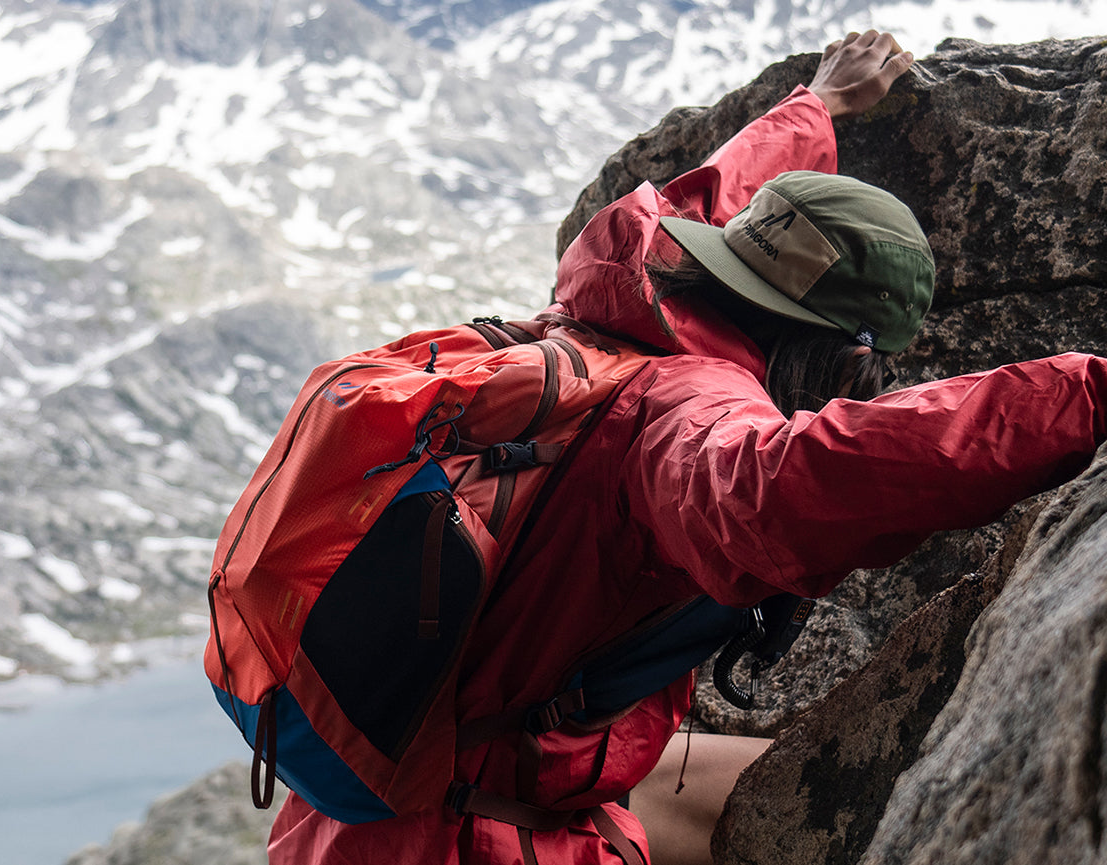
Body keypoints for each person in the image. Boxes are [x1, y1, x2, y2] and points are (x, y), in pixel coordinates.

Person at [267, 30, 1107, 865]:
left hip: (362, 800)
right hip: (466, 837)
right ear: (848, 354)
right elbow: (787, 490)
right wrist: (1087, 393)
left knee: (793, 780)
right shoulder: (682, 417)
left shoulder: (612, 301)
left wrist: (822, 103)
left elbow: (710, 193)